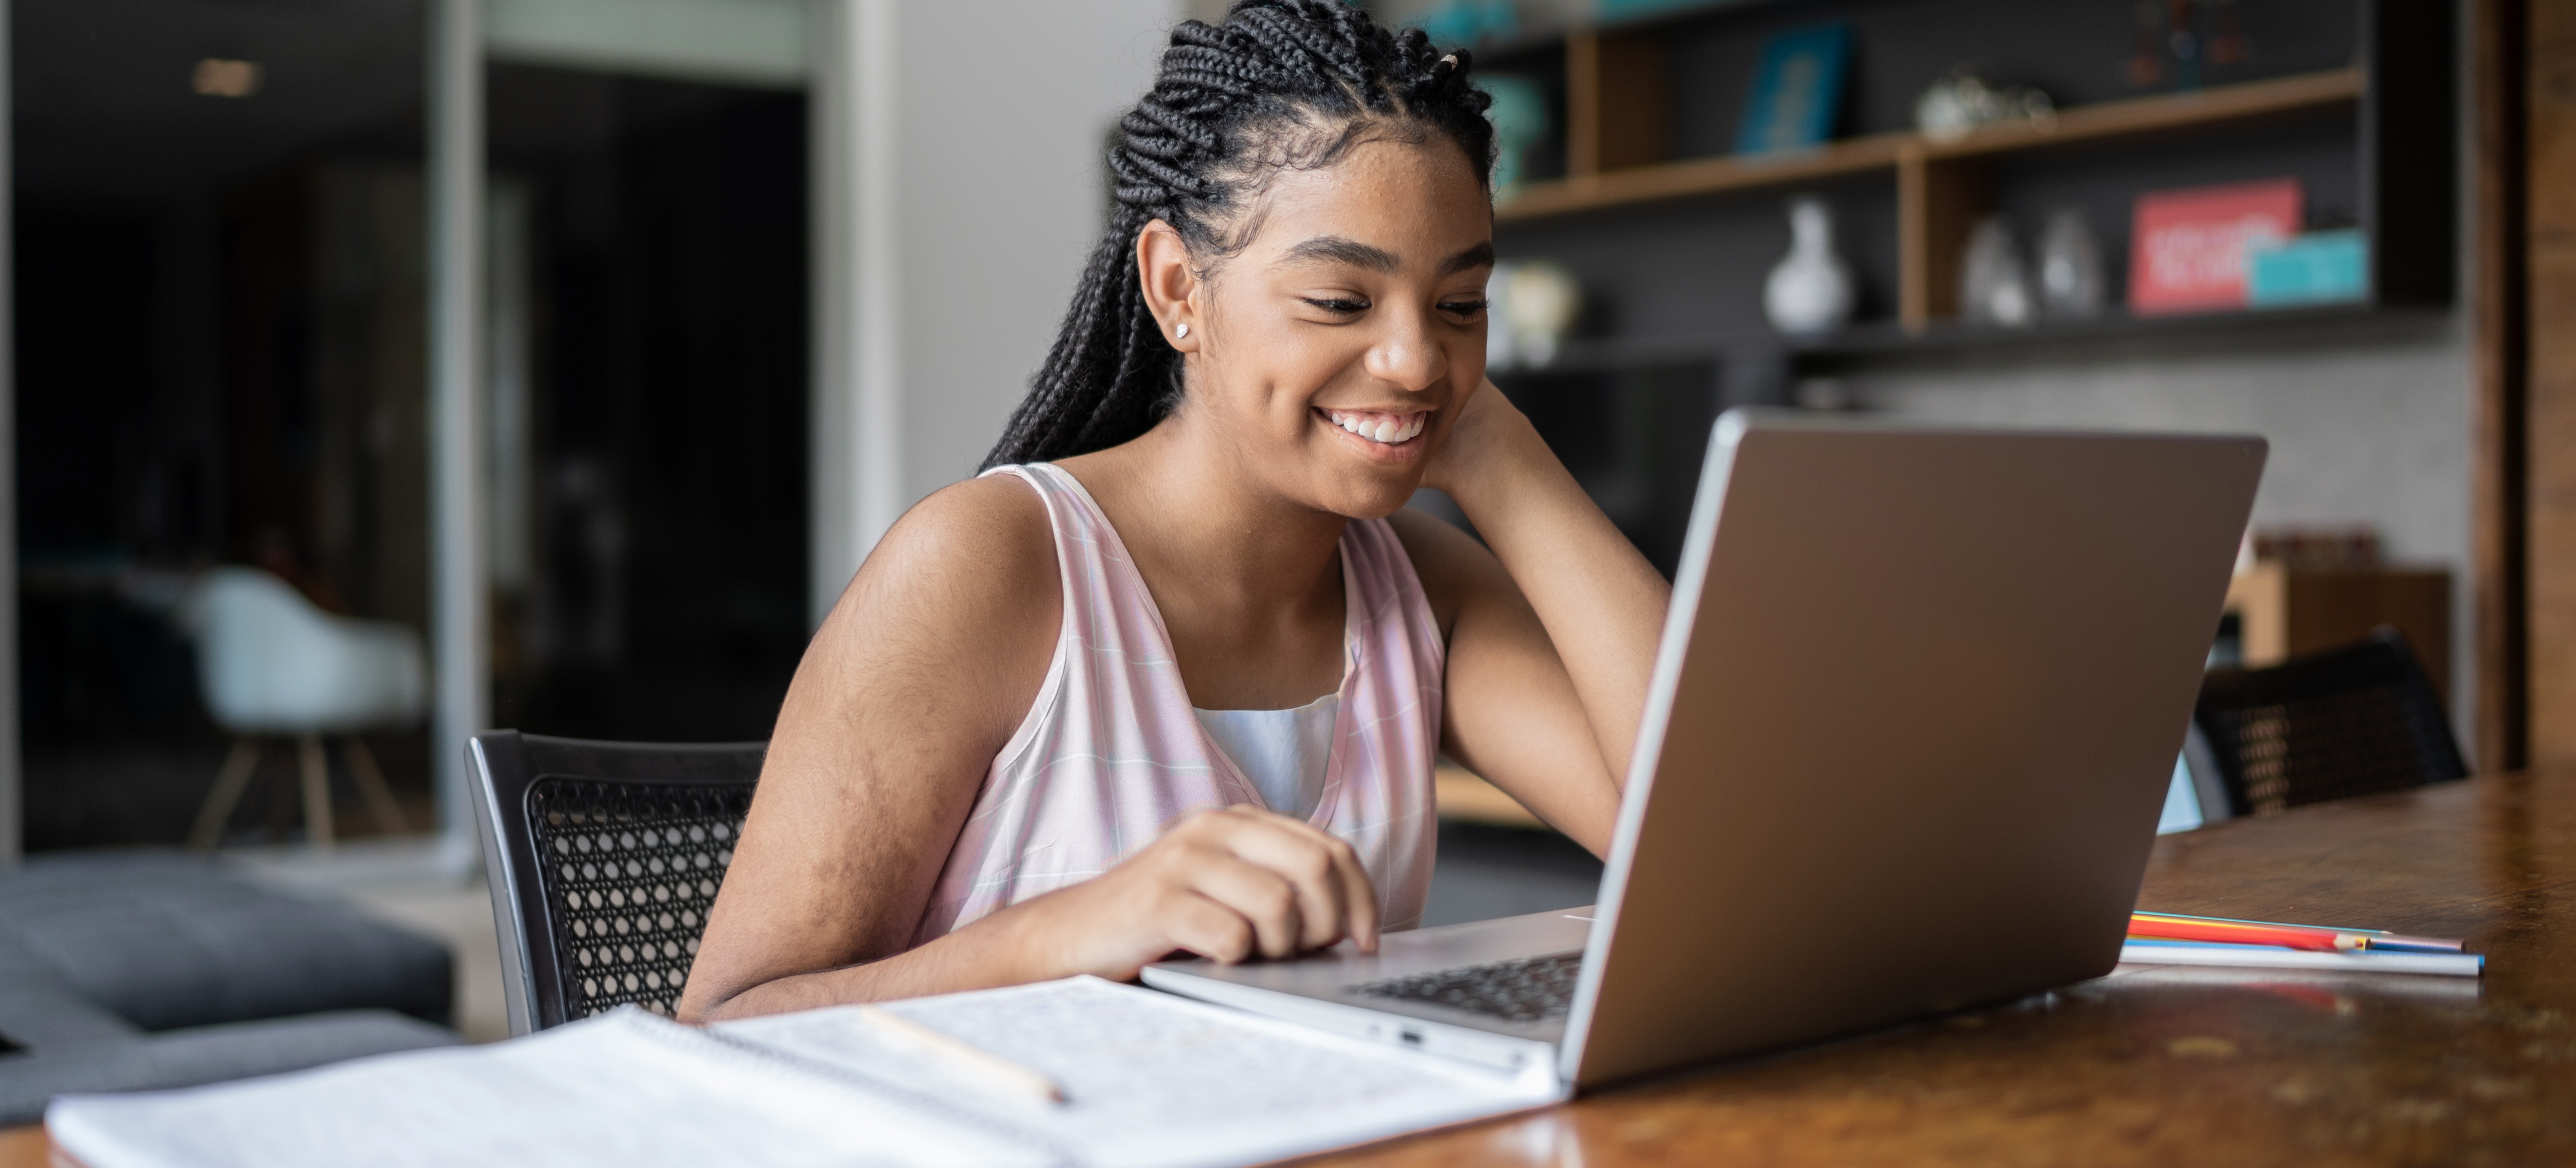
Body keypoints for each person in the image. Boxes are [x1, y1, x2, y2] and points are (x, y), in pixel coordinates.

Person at [678, 0, 1668, 1023]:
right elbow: (722, 1025)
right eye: (1340, 300)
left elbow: (1701, 842)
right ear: (1175, 288)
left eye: (1460, 306)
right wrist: (1072, 930)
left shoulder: (1421, 589)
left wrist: (1507, 463)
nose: (1417, 360)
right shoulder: (988, 565)